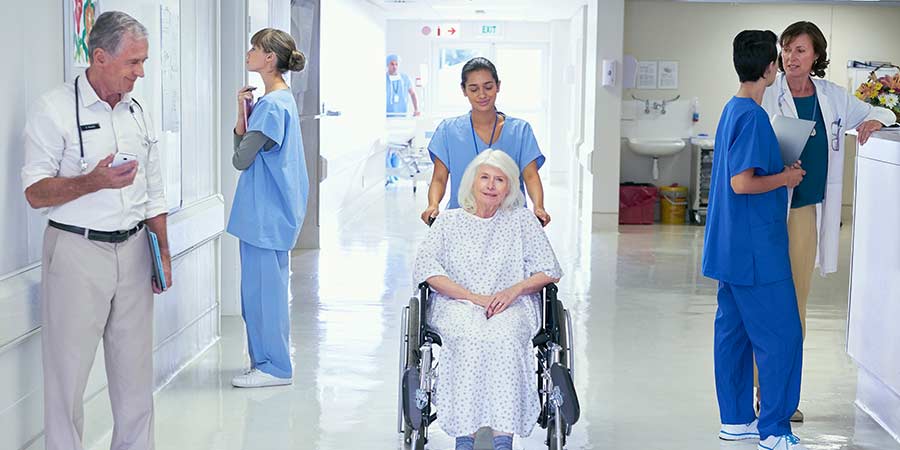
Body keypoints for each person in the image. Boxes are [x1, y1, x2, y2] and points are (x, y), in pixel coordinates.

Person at [22, 11, 170, 450]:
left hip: (134, 250)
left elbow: (154, 189)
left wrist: (162, 250)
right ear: (100, 56)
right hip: (76, 252)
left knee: (135, 377)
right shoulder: (53, 109)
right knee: (67, 379)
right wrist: (93, 181)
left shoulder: (136, 110)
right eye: (133, 62)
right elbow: (34, 192)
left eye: (143, 61)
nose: (141, 72)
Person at [759, 21, 896, 422]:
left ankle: (785, 398)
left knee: (795, 307)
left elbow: (878, 110)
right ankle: (763, 392)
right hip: (768, 211)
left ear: (816, 55)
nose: (790, 58)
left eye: (800, 50)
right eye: (786, 50)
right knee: (766, 303)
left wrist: (875, 121)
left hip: (804, 213)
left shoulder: (832, 97)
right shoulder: (769, 96)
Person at [702, 30, 809, 450]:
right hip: (756, 252)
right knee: (782, 335)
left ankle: (736, 420)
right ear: (771, 68)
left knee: (734, 333)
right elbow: (742, 182)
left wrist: (777, 166)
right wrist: (787, 177)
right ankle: (776, 429)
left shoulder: (733, 109)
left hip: (730, 246)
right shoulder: (752, 116)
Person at [413, 149, 562, 450]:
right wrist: (472, 297)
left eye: (500, 179)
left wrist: (514, 290)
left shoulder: (521, 221)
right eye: (484, 177)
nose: (491, 185)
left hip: (512, 304)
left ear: (510, 187)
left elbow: (550, 269)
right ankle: (464, 437)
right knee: (469, 337)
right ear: (471, 181)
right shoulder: (448, 222)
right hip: (457, 303)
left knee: (505, 338)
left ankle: (503, 437)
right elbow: (427, 270)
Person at [228, 28, 309, 388]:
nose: (249, 52)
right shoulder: (280, 100)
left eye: (255, 48)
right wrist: (248, 112)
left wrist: (239, 116)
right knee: (265, 293)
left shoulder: (271, 106)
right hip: (273, 215)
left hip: (265, 217)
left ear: (269, 59)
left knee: (262, 297)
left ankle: (273, 367)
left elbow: (241, 158)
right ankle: (266, 362)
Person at [421, 57, 550, 227]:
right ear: (464, 90)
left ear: (498, 86)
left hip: (509, 222)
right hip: (462, 222)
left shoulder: (520, 131)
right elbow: (439, 178)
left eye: (488, 87)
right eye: (473, 89)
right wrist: (433, 205)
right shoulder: (448, 131)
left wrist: (539, 207)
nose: (482, 95)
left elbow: (531, 176)